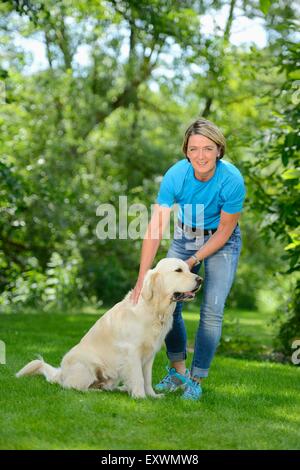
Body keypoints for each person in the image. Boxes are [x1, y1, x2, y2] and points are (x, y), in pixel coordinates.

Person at [130, 118, 246, 400]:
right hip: (186, 235)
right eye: (193, 149)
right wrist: (142, 277)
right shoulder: (176, 176)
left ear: (219, 149)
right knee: (168, 303)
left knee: (212, 311)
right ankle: (178, 371)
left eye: (208, 148)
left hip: (223, 240)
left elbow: (224, 230)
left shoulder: (232, 180)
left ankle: (196, 380)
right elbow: (156, 228)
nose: (201, 156)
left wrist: (193, 261)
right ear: (186, 151)